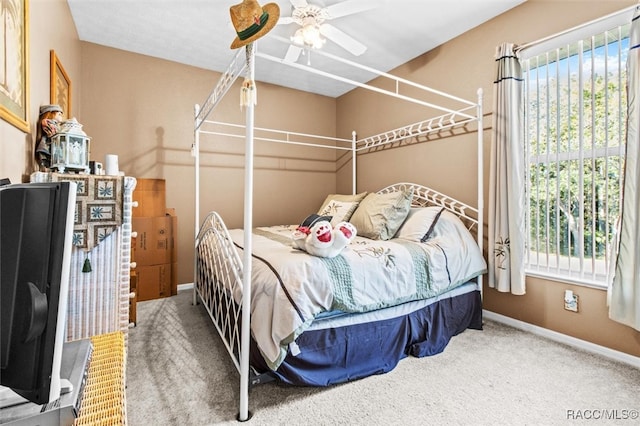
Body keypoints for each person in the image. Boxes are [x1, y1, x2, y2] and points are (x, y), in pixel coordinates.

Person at [35, 104, 63, 170]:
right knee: (49, 157)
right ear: (51, 114)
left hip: (54, 143)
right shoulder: (48, 122)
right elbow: (53, 133)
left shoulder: (56, 125)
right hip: (49, 143)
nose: (61, 116)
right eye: (59, 114)